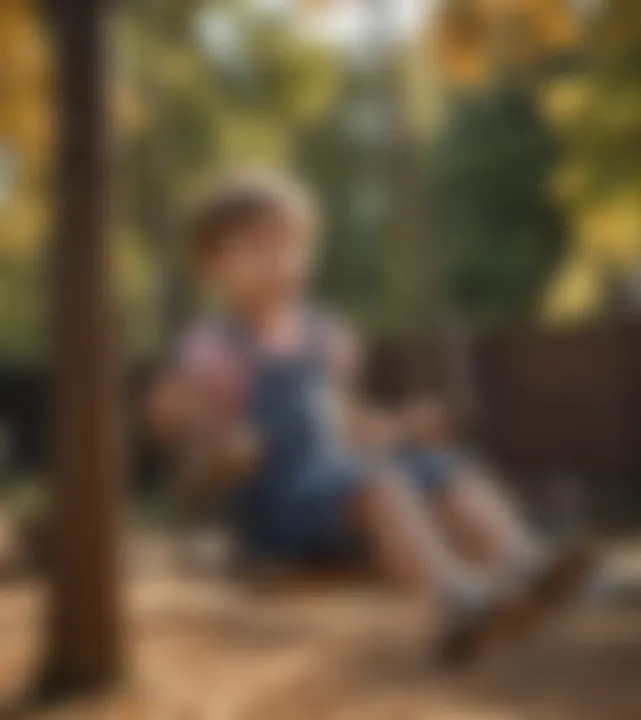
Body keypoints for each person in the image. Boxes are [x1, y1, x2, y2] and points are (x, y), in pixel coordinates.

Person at [147, 170, 595, 664]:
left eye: (289, 247)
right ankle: (459, 600)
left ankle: (526, 564)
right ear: (213, 267)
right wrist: (203, 429)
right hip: (282, 507)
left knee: (441, 468)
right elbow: (173, 413)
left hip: (342, 485)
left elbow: (345, 423)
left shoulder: (324, 336)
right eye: (256, 248)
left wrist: (403, 426)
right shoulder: (217, 346)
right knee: (382, 484)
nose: (277, 261)